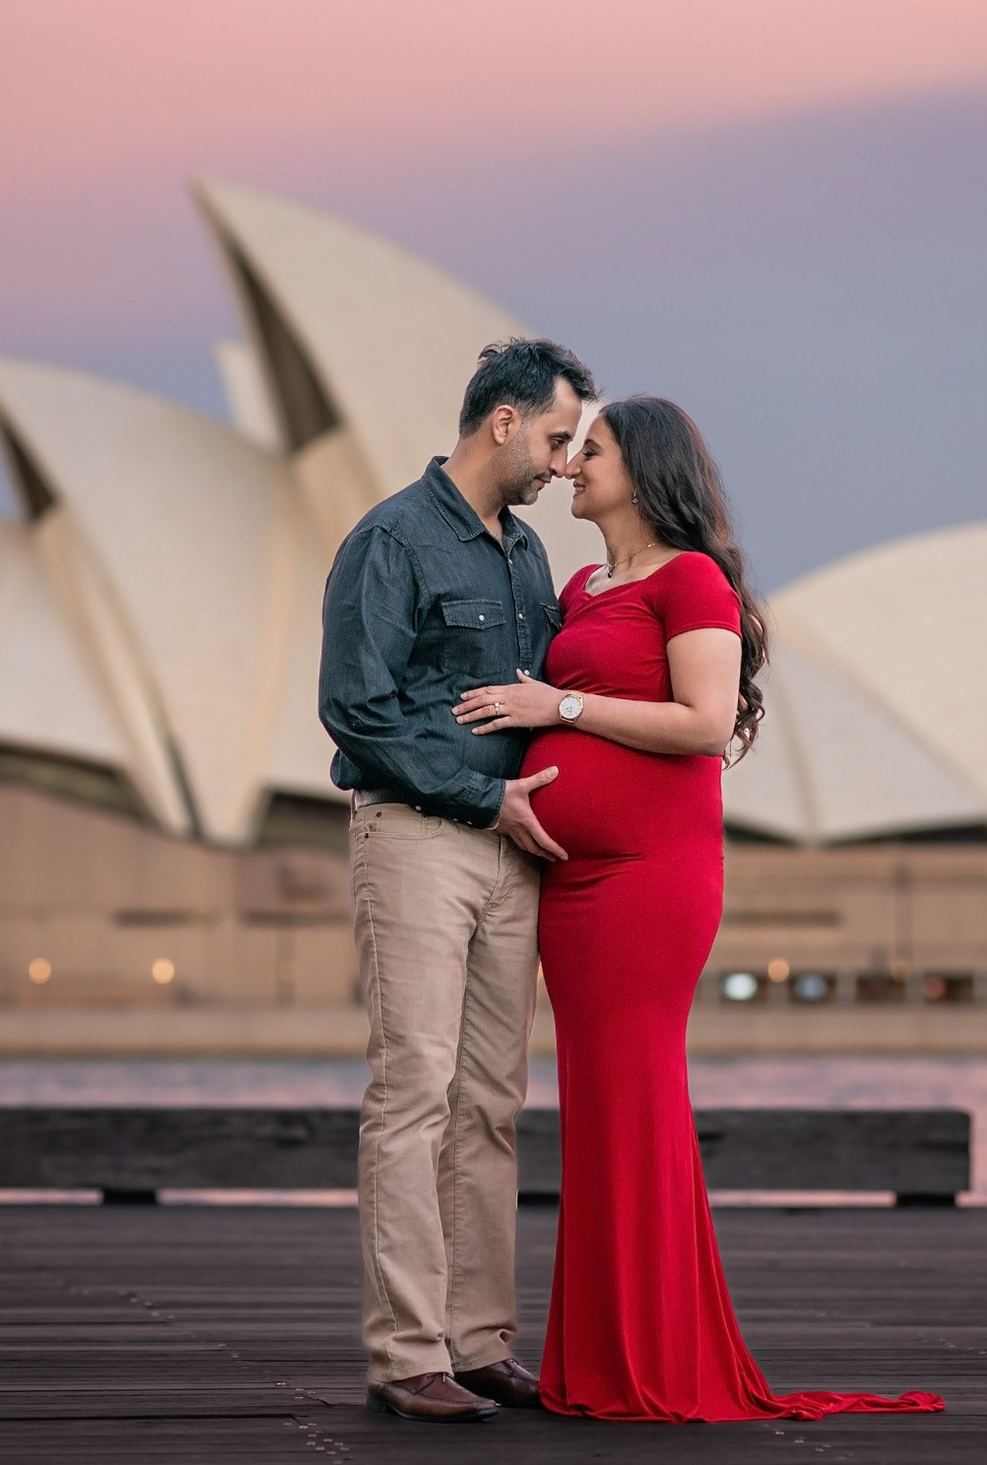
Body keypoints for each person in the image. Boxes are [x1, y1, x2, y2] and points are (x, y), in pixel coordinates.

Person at [454, 397, 944, 1423]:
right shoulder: (585, 583)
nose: (572, 464)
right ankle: (597, 1355)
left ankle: (655, 1358)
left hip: (649, 876)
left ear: (649, 469)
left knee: (634, 1095)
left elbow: (705, 722)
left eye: (592, 450)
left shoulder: (693, 578)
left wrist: (562, 706)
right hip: (570, 882)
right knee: (596, 1107)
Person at [318, 337, 598, 1424]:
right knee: (413, 1091)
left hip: (513, 850)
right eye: (555, 436)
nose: (563, 460)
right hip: (421, 838)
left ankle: (477, 1341)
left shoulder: (526, 556)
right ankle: (406, 1351)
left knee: (490, 1101)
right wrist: (484, 799)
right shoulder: (390, 537)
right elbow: (354, 705)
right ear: (501, 422)